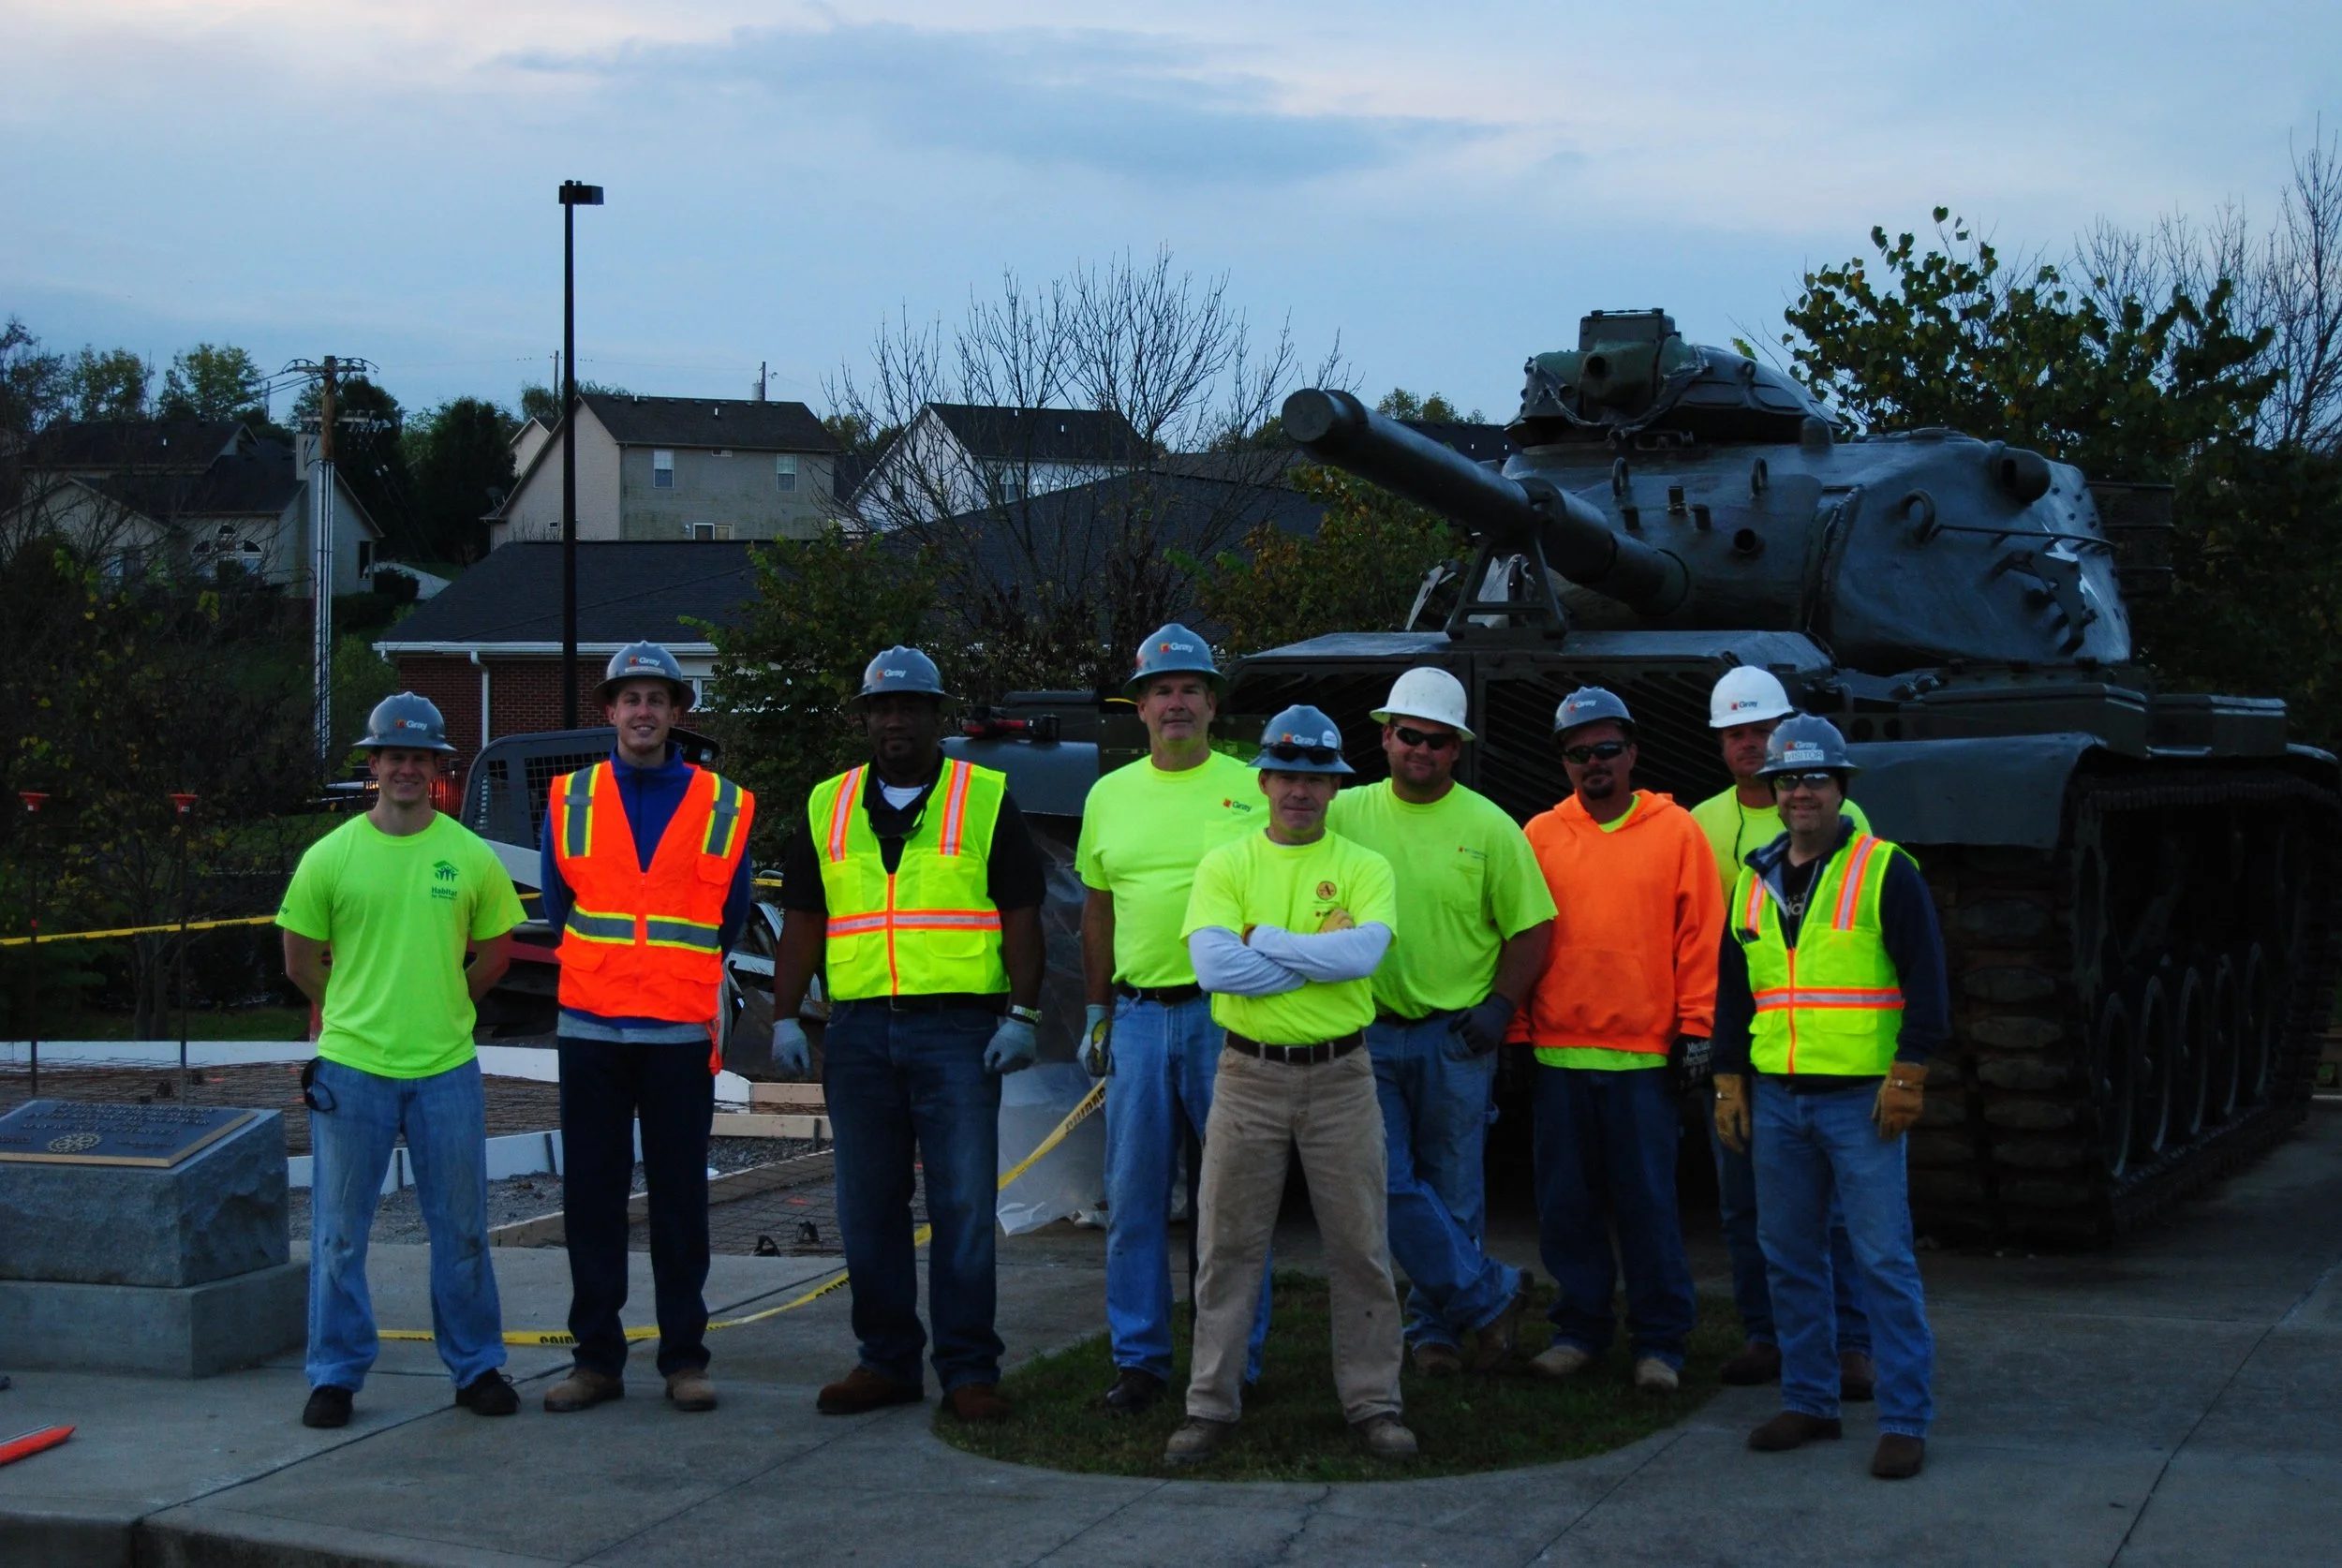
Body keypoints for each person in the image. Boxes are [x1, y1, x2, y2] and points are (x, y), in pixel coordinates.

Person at [768, 646, 1046, 1423]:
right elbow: (804, 919)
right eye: (882, 708)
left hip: (959, 1032)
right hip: (858, 1034)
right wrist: (784, 1014)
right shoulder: (827, 804)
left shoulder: (983, 798)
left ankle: (968, 1370)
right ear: (866, 719)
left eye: (910, 707)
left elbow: (1022, 914)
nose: (895, 720)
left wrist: (1024, 1016)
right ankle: (886, 1362)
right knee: (867, 1207)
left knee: (963, 1204)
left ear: (935, 716)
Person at [1165, 704, 1416, 1465]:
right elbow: (1213, 968)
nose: (1300, 791)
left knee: (1361, 1246)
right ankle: (1210, 1405)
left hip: (1343, 1077)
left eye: (1316, 778)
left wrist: (1266, 940)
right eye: (1286, 776)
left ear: (1334, 787)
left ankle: (1374, 1403)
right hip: (1247, 1076)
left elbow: (1362, 957)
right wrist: (1314, 956)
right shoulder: (1227, 864)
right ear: (1264, 782)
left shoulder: (1365, 866)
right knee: (1227, 1246)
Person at [278, 693, 525, 1429]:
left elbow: (497, 953)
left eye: (420, 758)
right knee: (338, 1233)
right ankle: (334, 1375)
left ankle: (477, 1367)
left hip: (445, 1070)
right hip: (352, 1071)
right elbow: (298, 960)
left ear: (436, 767)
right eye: (395, 757)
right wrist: (349, 1012)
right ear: (375, 765)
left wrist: (447, 1002)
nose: (407, 769)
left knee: (463, 1228)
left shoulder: (468, 855)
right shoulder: (331, 857)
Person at [1712, 716, 1948, 1481]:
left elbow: (1929, 984)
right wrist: (1728, 1078)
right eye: (1788, 780)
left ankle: (1904, 1419)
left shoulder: (1884, 870)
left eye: (1815, 778)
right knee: (1787, 1257)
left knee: (1882, 1260)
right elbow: (1734, 996)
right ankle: (1809, 1400)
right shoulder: (1753, 878)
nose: (1800, 792)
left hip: (1861, 1104)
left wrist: (1909, 1072)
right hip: (1778, 1100)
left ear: (1841, 787)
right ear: (1773, 792)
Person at [536, 643, 756, 1416]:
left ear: (675, 713)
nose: (642, 711)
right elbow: (559, 906)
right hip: (591, 1030)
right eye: (629, 698)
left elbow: (730, 916)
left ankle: (683, 1360)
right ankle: (595, 1362)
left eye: (656, 699)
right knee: (591, 1201)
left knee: (679, 1205)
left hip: (677, 1035)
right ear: (609, 711)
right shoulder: (571, 798)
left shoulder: (723, 804)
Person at [1326, 667, 1552, 1377]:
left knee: (1454, 1189)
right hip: (1366, 1031)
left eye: (1437, 739)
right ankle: (1489, 1298)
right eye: (1409, 735)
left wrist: (1500, 1007)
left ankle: (1435, 1334)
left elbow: (1533, 928)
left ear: (1456, 748)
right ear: (1384, 738)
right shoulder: (1344, 812)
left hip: (1457, 1036)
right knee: (1382, 1180)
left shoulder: (1490, 827)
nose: (1420, 749)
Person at [1075, 624, 1273, 1415]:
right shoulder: (1109, 796)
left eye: (1191, 688)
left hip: (1226, 1016)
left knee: (1234, 1199)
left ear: (1213, 705)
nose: (1177, 702)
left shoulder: (1252, 788)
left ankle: (1236, 1361)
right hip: (1137, 1017)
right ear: (1141, 708)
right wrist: (1097, 1012)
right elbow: (1097, 909)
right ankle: (1141, 1361)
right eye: (1161, 691)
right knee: (1133, 1198)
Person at [1514, 687, 1718, 1393]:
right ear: (1564, 763)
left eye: (1606, 748)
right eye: (1578, 753)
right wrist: (1517, 1030)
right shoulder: (1540, 834)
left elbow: (1700, 938)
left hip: (1644, 1059)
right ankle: (1579, 1331)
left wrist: (1697, 1030)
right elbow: (1518, 932)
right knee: (1566, 1209)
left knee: (1648, 1207)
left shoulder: (1677, 831)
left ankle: (1660, 1343)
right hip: (1558, 1056)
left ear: (1632, 753)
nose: (1593, 762)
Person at [1689, 667, 1875, 1398]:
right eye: (1736, 733)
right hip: (1741, 1040)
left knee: (1833, 1211)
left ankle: (1851, 1343)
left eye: (1761, 731)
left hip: (1824, 1047)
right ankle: (1765, 1334)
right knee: (1744, 1205)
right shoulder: (1701, 824)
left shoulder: (1840, 819)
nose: (1749, 744)